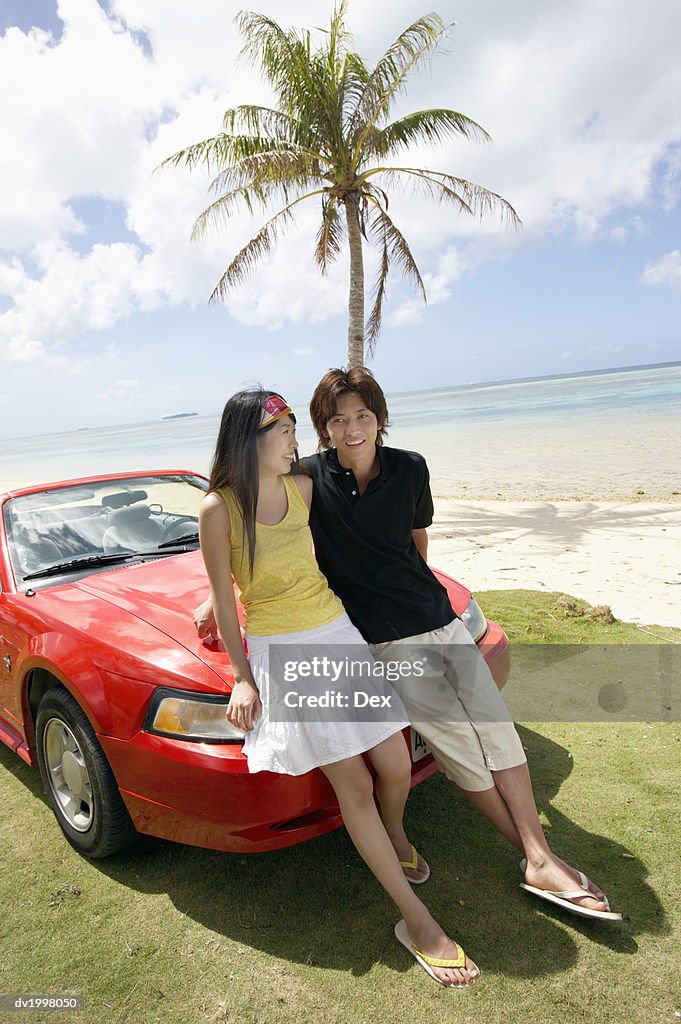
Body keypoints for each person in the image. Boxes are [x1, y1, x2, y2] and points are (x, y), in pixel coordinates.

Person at [196, 370, 621, 923]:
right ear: (323, 432)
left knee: (497, 734)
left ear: (380, 419)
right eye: (334, 421)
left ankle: (540, 854)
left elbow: (417, 548)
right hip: (378, 641)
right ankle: (533, 859)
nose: (350, 430)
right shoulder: (307, 479)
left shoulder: (404, 468)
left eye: (363, 417)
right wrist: (220, 603)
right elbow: (248, 529)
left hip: (430, 620)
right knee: (462, 752)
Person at [198, 387, 480, 987]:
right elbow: (226, 600)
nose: (296, 443)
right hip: (284, 650)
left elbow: (332, 529)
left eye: (296, 431)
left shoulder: (300, 487)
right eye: (284, 434)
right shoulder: (216, 510)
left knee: (395, 761)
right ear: (251, 440)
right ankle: (418, 922)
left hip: (338, 631)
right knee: (353, 783)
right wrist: (244, 679)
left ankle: (396, 834)